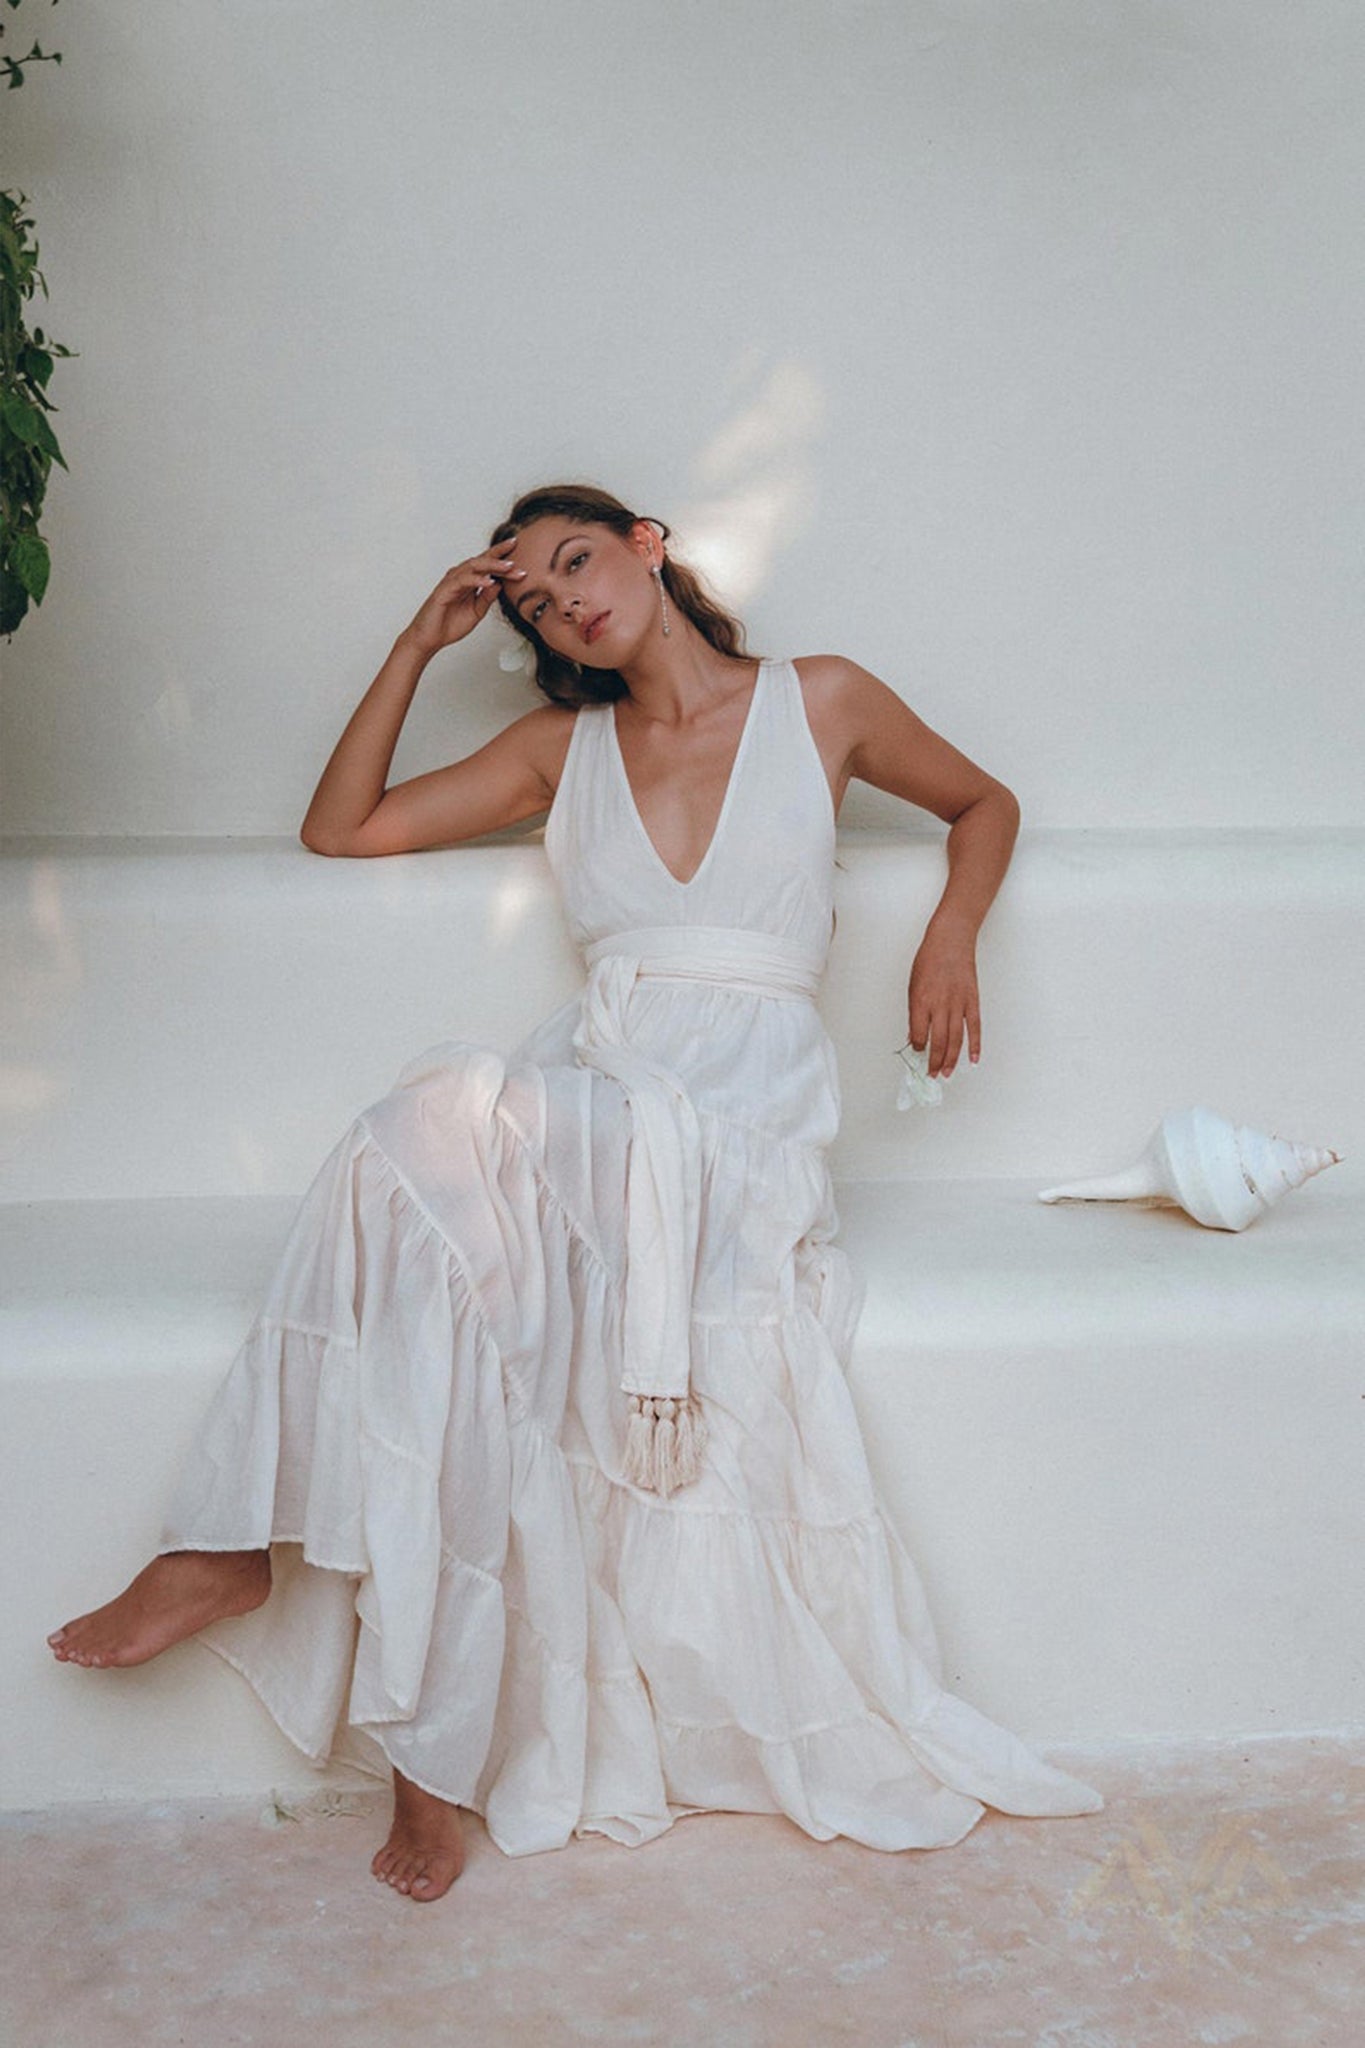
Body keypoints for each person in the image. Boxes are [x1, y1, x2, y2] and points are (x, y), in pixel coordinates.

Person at [48, 481, 1104, 1902]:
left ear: (648, 547)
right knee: (447, 1270)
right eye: (535, 600)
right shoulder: (563, 749)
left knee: (423, 1139)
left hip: (735, 1133)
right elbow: (341, 829)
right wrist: (416, 647)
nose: (566, 601)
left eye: (578, 562)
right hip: (597, 1105)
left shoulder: (825, 697)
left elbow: (984, 800)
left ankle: (254, 1554)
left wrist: (948, 937)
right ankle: (410, 1732)